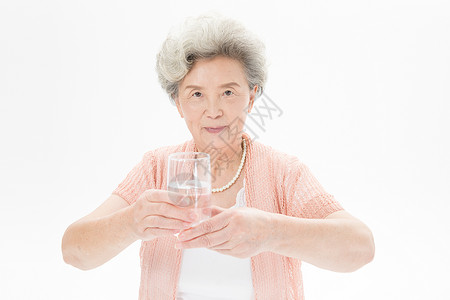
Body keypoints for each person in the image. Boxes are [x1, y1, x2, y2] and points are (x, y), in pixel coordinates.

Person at [62, 13, 375, 300]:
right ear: (178, 102)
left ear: (251, 97)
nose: (213, 111)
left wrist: (271, 232)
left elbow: (360, 247)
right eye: (197, 94)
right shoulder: (156, 169)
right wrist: (131, 222)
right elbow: (74, 251)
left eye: (228, 92)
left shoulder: (283, 173)